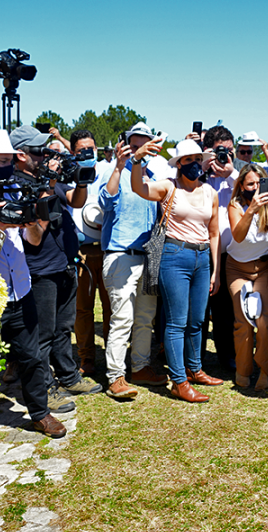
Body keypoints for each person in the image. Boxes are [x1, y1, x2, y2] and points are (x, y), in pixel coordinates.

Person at [0, 129, 69, 469]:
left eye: (11, 161)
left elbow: (34, 241)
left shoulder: (14, 188)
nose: (8, 168)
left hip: (20, 289)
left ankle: (40, 413)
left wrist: (33, 218)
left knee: (32, 356)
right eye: (2, 162)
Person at [10, 125, 102, 403]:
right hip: (39, 269)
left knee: (64, 328)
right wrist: (47, 185)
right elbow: (37, 228)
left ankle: (69, 377)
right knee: (43, 333)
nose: (46, 154)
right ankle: (45, 390)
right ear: (21, 155)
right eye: (39, 150)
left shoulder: (45, 177)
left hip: (64, 263)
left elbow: (75, 201)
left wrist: (81, 180)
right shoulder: (16, 184)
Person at [130, 138, 223, 403]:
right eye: (188, 160)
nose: (194, 165)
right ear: (179, 164)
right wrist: (137, 160)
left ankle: (195, 369)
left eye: (198, 160)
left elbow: (214, 232)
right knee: (176, 322)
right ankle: (179, 381)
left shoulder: (210, 192)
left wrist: (215, 270)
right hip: (174, 255)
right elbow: (139, 187)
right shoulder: (168, 187)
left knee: (197, 320)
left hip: (202, 257)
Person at [98, 124, 172, 400]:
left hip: (147, 256)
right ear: (126, 145)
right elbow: (106, 201)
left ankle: (140, 367)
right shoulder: (112, 171)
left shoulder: (151, 176)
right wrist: (119, 165)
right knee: (123, 318)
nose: (141, 149)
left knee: (145, 318)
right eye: (136, 144)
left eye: (147, 145)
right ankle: (115, 376)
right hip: (121, 255)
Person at [226, 164, 268, 389]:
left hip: (263, 268)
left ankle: (266, 368)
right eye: (250, 184)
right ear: (241, 186)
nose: (254, 188)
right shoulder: (235, 205)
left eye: (258, 183)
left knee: (264, 319)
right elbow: (238, 235)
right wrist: (251, 209)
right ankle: (243, 370)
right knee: (243, 320)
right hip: (237, 269)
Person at [71, 129, 112, 376]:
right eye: (82, 151)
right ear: (73, 153)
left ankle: (112, 357)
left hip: (107, 249)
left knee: (110, 307)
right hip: (81, 252)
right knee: (83, 309)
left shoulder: (109, 173)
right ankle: (86, 358)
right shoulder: (68, 177)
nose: (88, 153)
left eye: (91, 149)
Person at [200, 126, 239, 371]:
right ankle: (196, 360)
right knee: (198, 313)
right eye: (219, 152)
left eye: (229, 151)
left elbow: (251, 193)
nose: (224, 156)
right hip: (200, 252)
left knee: (226, 312)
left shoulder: (238, 175)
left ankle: (228, 357)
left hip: (228, 254)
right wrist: (201, 170)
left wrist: (231, 173)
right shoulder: (196, 175)